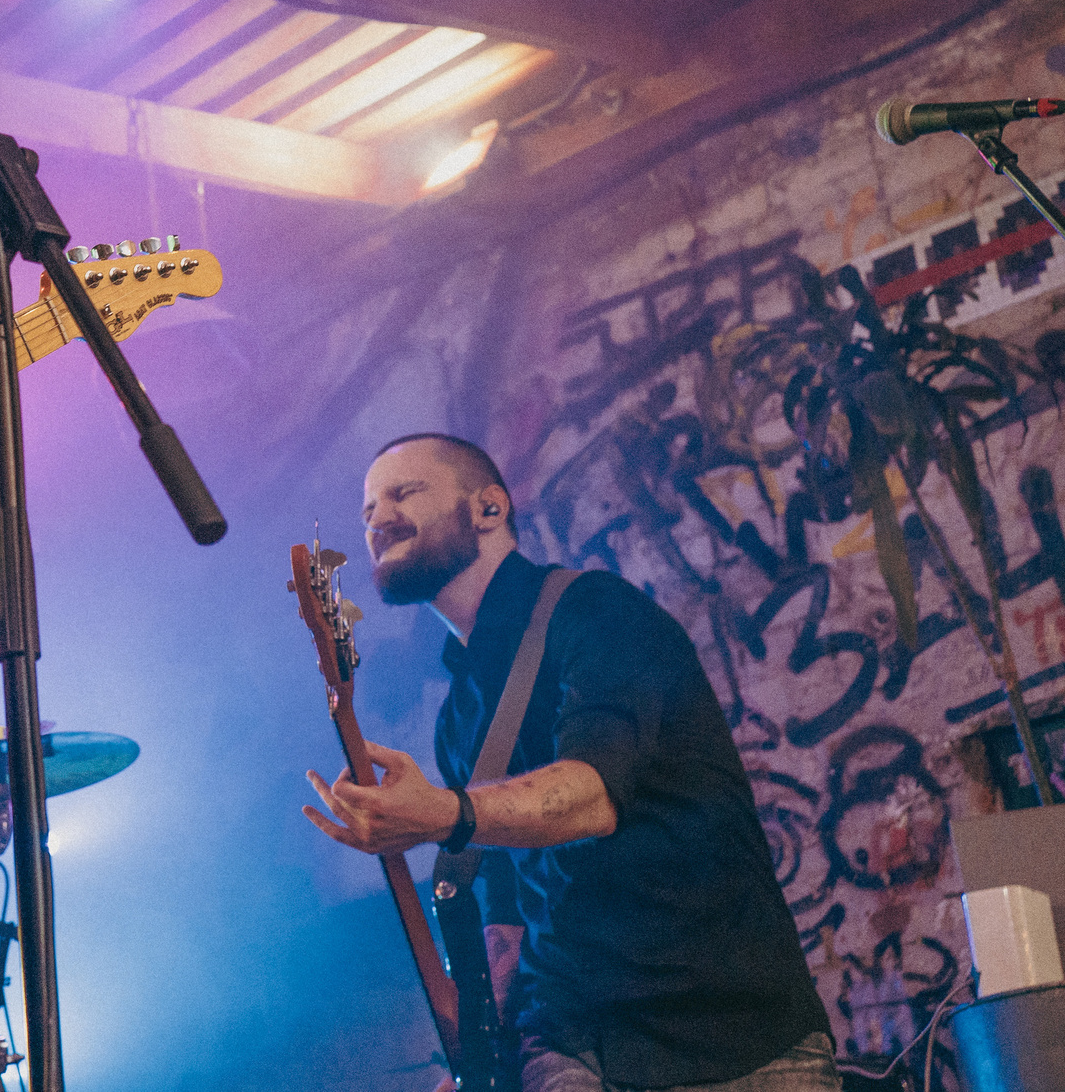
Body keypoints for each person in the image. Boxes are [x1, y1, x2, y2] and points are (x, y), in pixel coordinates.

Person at [303, 433, 833, 1092]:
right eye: (367, 508)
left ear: (488, 508)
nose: (378, 518)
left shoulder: (598, 613)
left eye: (404, 492)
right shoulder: (459, 713)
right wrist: (481, 1053)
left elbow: (592, 794)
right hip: (570, 1040)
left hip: (730, 1038)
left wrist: (444, 812)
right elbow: (506, 905)